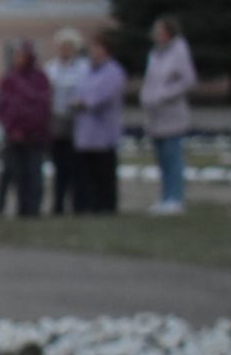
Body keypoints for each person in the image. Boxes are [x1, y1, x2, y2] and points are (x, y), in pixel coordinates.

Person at [138, 15, 194, 215]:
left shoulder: (179, 50)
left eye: (159, 31)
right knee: (161, 159)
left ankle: (175, 198)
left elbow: (187, 80)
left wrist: (164, 95)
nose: (156, 35)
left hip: (172, 114)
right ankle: (165, 197)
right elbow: (151, 79)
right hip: (156, 115)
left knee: (173, 158)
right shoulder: (155, 53)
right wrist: (147, 95)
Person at [0, 41, 52, 218]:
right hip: (14, 136)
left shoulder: (39, 79)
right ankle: (14, 208)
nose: (17, 59)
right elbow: (3, 107)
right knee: (14, 174)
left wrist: (32, 127)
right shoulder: (10, 79)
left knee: (33, 174)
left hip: (35, 135)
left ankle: (33, 209)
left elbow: (43, 106)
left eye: (21, 55)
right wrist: (11, 128)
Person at [73, 31, 127, 215]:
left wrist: (85, 102)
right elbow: (80, 90)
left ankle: (107, 205)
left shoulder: (113, 71)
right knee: (88, 172)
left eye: (97, 47)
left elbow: (103, 95)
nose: (93, 51)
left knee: (104, 171)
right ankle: (91, 204)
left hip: (103, 130)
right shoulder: (88, 70)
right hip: (86, 131)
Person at [45, 28, 88, 215]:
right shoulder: (51, 68)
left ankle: (78, 202)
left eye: (68, 46)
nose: (65, 50)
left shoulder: (83, 68)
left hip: (77, 120)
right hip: (57, 119)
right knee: (59, 165)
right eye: (62, 46)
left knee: (77, 165)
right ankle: (58, 203)